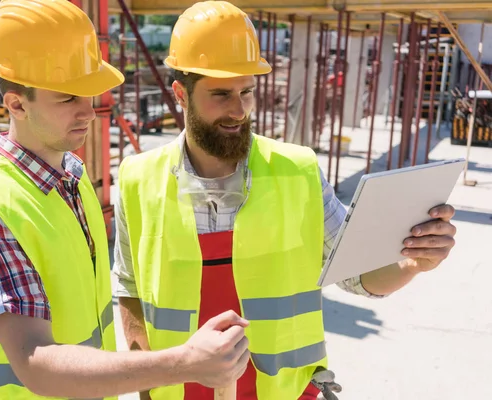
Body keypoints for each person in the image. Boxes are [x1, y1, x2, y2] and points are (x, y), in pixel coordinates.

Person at [112, 2, 458, 399]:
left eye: (247, 92)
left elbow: (356, 276)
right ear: (180, 94)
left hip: (284, 392)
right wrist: (144, 383)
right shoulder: (137, 179)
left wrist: (412, 264)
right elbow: (129, 288)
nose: (238, 110)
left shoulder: (298, 171)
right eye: (221, 94)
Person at [0, 0, 251, 399]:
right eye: (67, 99)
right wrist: (185, 362)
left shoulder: (73, 176)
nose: (88, 111)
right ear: (16, 103)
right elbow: (36, 360)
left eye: (89, 94)